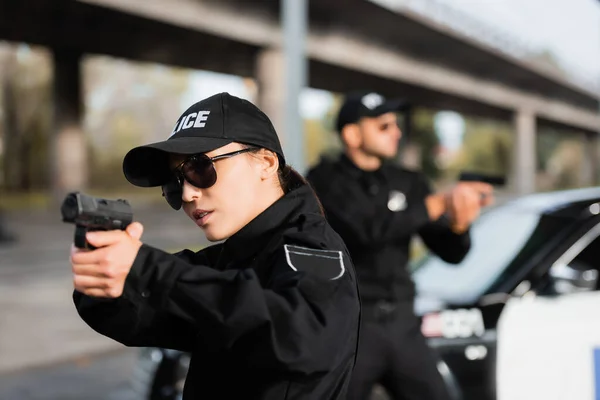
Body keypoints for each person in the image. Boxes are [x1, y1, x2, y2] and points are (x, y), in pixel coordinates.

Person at [70, 92, 361, 399]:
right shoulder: (228, 260)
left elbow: (302, 338)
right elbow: (141, 318)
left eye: (200, 168)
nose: (187, 195)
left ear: (265, 162)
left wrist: (148, 267)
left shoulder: (312, 248)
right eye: (175, 182)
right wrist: (102, 281)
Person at [306, 91, 494, 400]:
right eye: (383, 126)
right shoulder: (325, 180)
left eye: (395, 124)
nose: (396, 132)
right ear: (352, 134)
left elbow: (451, 252)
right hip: (351, 325)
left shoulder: (409, 181)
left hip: (403, 322)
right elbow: (365, 231)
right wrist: (434, 205)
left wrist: (460, 222)